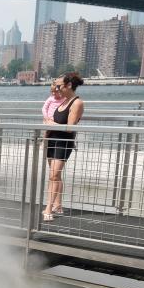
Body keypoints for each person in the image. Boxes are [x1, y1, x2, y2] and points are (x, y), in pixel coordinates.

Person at [42, 73, 84, 222]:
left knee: (54, 175)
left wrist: (51, 124)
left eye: (59, 86)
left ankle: (48, 208)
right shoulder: (63, 102)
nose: (56, 88)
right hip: (52, 140)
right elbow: (50, 120)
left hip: (63, 142)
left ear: (69, 85)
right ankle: (57, 205)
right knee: (54, 176)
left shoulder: (76, 103)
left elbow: (70, 128)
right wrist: (46, 136)